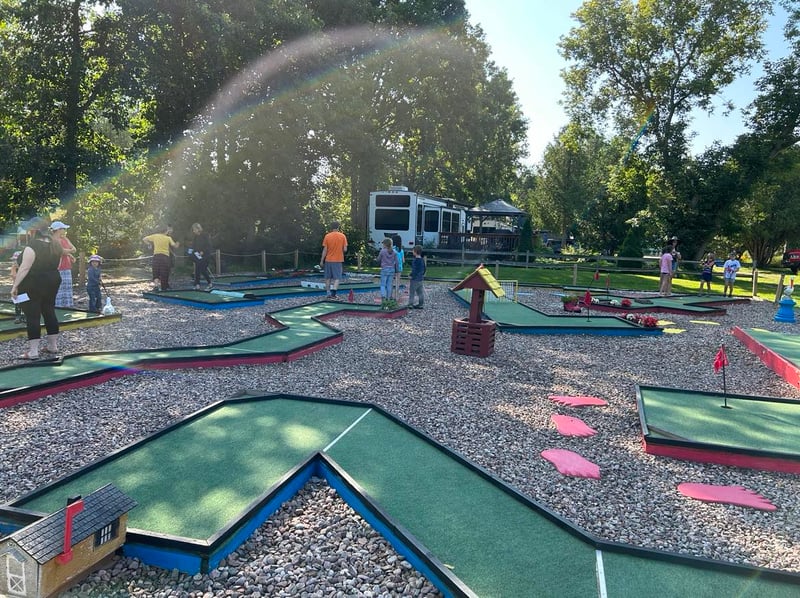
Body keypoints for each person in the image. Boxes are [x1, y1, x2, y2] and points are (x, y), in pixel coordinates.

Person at [10, 219, 65, 359]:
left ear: (33, 230)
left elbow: (25, 267)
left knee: (33, 315)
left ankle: (33, 352)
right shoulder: (55, 245)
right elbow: (57, 265)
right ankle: (53, 346)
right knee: (49, 310)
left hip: (33, 282)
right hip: (53, 280)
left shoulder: (32, 246)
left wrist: (15, 285)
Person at [143, 225, 179, 291]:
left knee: (156, 271)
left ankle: (156, 286)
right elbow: (175, 246)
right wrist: (178, 242)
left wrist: (149, 244)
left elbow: (144, 239)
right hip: (165, 257)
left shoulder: (155, 236)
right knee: (164, 272)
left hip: (156, 256)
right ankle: (164, 288)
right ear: (166, 231)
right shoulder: (168, 238)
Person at [319, 221, 348, 299]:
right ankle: (333, 293)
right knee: (337, 277)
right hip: (338, 260)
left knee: (328, 277)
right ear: (338, 227)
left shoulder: (327, 236)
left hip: (328, 260)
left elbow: (325, 250)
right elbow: (345, 249)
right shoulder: (342, 236)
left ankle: (328, 293)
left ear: (331, 227)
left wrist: (322, 260)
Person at [51, 221, 76, 307]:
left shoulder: (64, 239)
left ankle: (67, 305)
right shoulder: (53, 240)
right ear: (58, 229)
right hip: (57, 267)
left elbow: (74, 249)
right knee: (58, 287)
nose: (65, 230)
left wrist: (68, 253)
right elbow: (60, 251)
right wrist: (68, 251)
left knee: (67, 287)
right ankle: (58, 306)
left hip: (66, 266)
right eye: (63, 228)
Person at [190, 223, 214, 290]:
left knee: (203, 269)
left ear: (198, 229)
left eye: (194, 229)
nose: (193, 231)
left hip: (206, 255)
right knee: (197, 269)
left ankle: (210, 283)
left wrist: (203, 251)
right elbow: (193, 246)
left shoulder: (205, 235)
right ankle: (197, 285)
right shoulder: (195, 237)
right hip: (198, 255)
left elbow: (209, 245)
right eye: (193, 230)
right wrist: (191, 251)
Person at [377, 237, 399, 309]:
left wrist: (377, 260)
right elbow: (397, 262)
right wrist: (397, 270)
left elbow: (378, 259)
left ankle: (383, 297)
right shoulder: (394, 252)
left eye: (383, 244)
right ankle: (389, 298)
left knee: (383, 284)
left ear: (385, 244)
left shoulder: (382, 251)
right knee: (389, 285)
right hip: (392, 269)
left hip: (384, 269)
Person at [407, 245, 426, 309]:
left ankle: (410, 304)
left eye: (413, 251)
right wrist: (422, 274)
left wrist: (411, 275)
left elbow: (414, 270)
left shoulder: (415, 260)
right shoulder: (422, 260)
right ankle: (421, 304)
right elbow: (424, 268)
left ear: (415, 251)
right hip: (420, 279)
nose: (412, 252)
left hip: (414, 279)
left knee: (412, 292)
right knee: (420, 292)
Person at [9, 250, 25, 324]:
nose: (14, 262)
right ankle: (18, 316)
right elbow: (14, 277)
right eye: (14, 260)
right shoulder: (14, 268)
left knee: (25, 302)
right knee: (17, 302)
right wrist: (14, 268)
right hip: (17, 287)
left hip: (25, 287)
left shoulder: (25, 268)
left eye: (16, 260)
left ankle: (26, 316)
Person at [392, 234, 405, 300]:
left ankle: (390, 295)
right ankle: (396, 296)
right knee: (397, 281)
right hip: (399, 267)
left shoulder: (392, 249)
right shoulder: (401, 250)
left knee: (391, 281)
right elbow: (403, 260)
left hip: (392, 267)